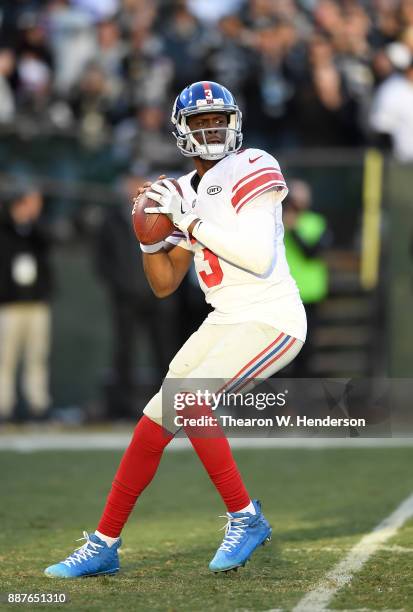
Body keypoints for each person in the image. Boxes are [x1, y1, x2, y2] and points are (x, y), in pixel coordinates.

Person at [44, 81, 306, 578]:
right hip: (224, 319)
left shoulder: (254, 165)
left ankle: (245, 517)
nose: (212, 130)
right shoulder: (183, 190)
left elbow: (256, 255)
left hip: (272, 318)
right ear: (181, 131)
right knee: (153, 421)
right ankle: (104, 543)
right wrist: (149, 239)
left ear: (235, 123)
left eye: (219, 120)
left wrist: (189, 219)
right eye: (201, 122)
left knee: (189, 400)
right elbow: (165, 284)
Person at [0, 185, 53, 421]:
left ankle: (38, 404)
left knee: (37, 356)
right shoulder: (5, 229)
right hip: (9, 304)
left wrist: (32, 222)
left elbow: (48, 241)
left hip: (36, 303)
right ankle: (3, 406)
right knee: (5, 358)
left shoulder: (36, 232)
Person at [283, 180, 330, 377]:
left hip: (310, 294)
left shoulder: (316, 222)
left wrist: (293, 230)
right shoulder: (278, 221)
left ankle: (301, 398)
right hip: (285, 294)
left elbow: (310, 252)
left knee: (306, 347)